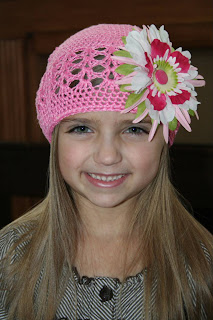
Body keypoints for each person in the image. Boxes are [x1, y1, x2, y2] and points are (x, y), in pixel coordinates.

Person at [0, 23, 212, 320]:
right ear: (56, 140)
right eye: (82, 128)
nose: (108, 155)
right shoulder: (8, 259)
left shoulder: (203, 267)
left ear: (164, 141)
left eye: (135, 129)